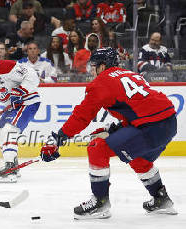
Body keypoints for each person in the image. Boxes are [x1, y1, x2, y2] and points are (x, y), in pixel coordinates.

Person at [40, 48, 177, 219]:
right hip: (168, 123)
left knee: (97, 146)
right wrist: (112, 130)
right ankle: (161, 199)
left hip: (149, 126)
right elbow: (140, 108)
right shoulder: (130, 74)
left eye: (95, 66)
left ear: (103, 66)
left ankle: (100, 202)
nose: (93, 70)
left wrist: (58, 138)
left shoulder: (101, 82)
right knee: (138, 156)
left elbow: (82, 116)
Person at [0, 44, 40, 183]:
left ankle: (9, 169)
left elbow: (33, 75)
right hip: (12, 106)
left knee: (9, 130)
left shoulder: (7, 66)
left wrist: (21, 90)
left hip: (27, 102)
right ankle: (13, 166)